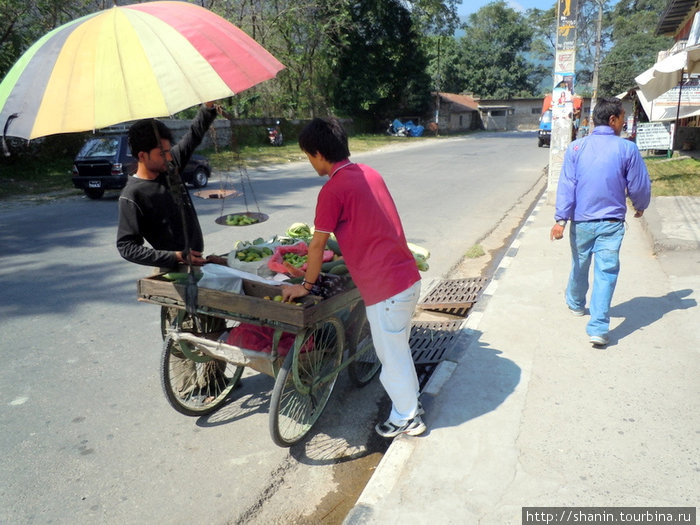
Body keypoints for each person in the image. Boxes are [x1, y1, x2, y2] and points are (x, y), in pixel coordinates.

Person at [282, 117, 424, 438]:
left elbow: (317, 245)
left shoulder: (333, 189)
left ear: (318, 153)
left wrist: (306, 285)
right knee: (398, 350)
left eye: (308, 156)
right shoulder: (369, 173)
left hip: (386, 288)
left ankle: (407, 417)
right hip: (406, 278)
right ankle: (411, 405)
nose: (309, 162)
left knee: (392, 355)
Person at [550, 97, 651, 347]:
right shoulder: (627, 149)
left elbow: (567, 186)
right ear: (613, 119)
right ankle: (598, 328)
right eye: (623, 117)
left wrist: (561, 220)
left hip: (582, 222)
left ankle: (575, 304)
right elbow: (638, 185)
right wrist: (640, 206)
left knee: (580, 264)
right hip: (611, 224)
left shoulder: (576, 148)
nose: (625, 122)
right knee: (606, 272)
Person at [116, 102, 218, 269]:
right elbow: (127, 247)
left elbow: (193, 136)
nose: (169, 157)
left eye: (169, 151)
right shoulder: (133, 195)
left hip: (197, 261)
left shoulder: (170, 168)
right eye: (162, 153)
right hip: (173, 268)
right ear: (142, 155)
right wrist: (174, 257)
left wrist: (208, 109)